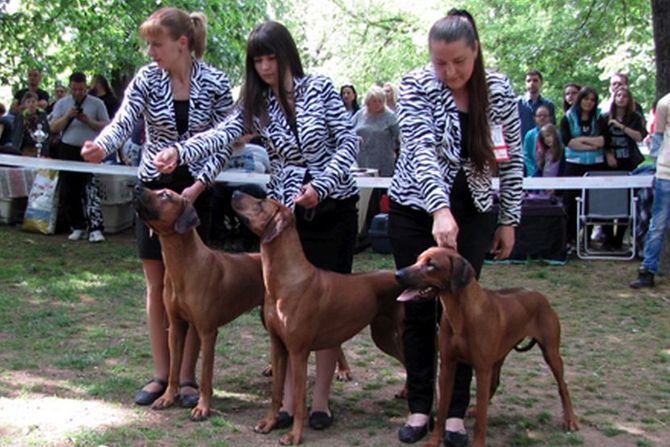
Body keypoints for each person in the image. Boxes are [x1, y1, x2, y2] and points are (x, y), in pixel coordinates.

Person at [154, 20, 360, 431]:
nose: (265, 67)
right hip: (282, 216)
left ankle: (319, 401)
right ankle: (286, 402)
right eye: (258, 60)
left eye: (271, 57)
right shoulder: (256, 102)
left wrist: (320, 185)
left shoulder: (320, 87)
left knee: (323, 303)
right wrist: (180, 149)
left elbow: (349, 142)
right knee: (282, 309)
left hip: (333, 205)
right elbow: (221, 134)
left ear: (287, 55)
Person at [80, 7, 234, 407]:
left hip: (197, 192)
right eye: (148, 44)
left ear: (182, 43)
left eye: (157, 44)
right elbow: (124, 119)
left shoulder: (216, 82)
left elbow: (226, 141)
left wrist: (198, 187)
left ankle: (187, 380)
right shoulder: (146, 79)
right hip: (153, 191)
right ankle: (162, 375)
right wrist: (102, 146)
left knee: (196, 289)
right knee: (157, 286)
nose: (150, 52)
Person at [387, 10, 523, 445]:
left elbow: (514, 159)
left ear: (475, 51)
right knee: (418, 308)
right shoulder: (414, 86)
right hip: (416, 208)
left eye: (459, 62)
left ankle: (456, 415)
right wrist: (439, 209)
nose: (449, 72)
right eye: (440, 62)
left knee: (468, 313)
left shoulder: (499, 90)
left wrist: (508, 218)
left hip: (477, 211)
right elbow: (421, 148)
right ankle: (420, 406)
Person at [49, 72, 109, 241]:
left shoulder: (97, 104)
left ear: (86, 88)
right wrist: (68, 115)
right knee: (69, 190)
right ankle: (77, 226)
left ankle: (95, 227)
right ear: (70, 87)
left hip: (90, 149)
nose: (77, 93)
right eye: (74, 89)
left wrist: (87, 120)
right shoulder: (62, 104)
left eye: (81, 89)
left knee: (91, 189)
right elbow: (53, 127)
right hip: (67, 148)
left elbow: (106, 126)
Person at [630, 92, 670, 289]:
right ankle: (647, 270)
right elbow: (657, 138)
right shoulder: (665, 103)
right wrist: (659, 162)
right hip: (666, 174)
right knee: (658, 224)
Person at [352, 84, 399, 247]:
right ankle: (361, 232)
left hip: (383, 161)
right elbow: (348, 132)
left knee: (379, 198)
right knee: (362, 198)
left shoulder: (390, 116)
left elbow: (399, 137)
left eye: (380, 101)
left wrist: (395, 149)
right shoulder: (359, 115)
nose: (377, 104)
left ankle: (379, 234)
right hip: (361, 162)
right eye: (374, 101)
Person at [601, 85, 647, 249]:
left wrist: (620, 126)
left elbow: (639, 136)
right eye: (618, 95)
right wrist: (608, 154)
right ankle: (607, 238)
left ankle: (619, 239)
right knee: (607, 200)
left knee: (626, 200)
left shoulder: (634, 117)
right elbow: (601, 139)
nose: (621, 98)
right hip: (609, 163)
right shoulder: (605, 117)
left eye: (625, 96)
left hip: (629, 162)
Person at [559, 86, 606, 245]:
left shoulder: (600, 118)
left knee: (592, 202)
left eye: (592, 100)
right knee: (571, 203)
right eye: (586, 99)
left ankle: (587, 238)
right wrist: (591, 145)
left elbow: (603, 140)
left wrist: (582, 140)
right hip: (574, 165)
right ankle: (570, 238)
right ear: (580, 100)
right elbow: (568, 142)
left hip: (596, 166)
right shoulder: (568, 117)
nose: (589, 103)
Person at [517, 69, 556, 138]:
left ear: (541, 83)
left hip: (542, 146)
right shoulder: (517, 103)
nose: (531, 83)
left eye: (535, 80)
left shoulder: (548, 105)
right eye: (528, 81)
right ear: (525, 83)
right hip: (521, 146)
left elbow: (551, 129)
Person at [11, 92, 50, 157]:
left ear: (37, 103)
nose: (31, 104)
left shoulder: (42, 115)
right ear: (25, 104)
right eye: (28, 102)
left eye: (33, 101)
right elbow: (16, 134)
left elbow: (46, 132)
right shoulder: (21, 116)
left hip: (38, 147)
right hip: (24, 148)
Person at [522, 105, 551, 176]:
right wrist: (533, 172)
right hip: (533, 172)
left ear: (549, 118)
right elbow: (526, 155)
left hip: (551, 172)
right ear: (535, 118)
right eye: (539, 115)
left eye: (545, 115)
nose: (542, 118)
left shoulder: (555, 134)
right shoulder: (530, 135)